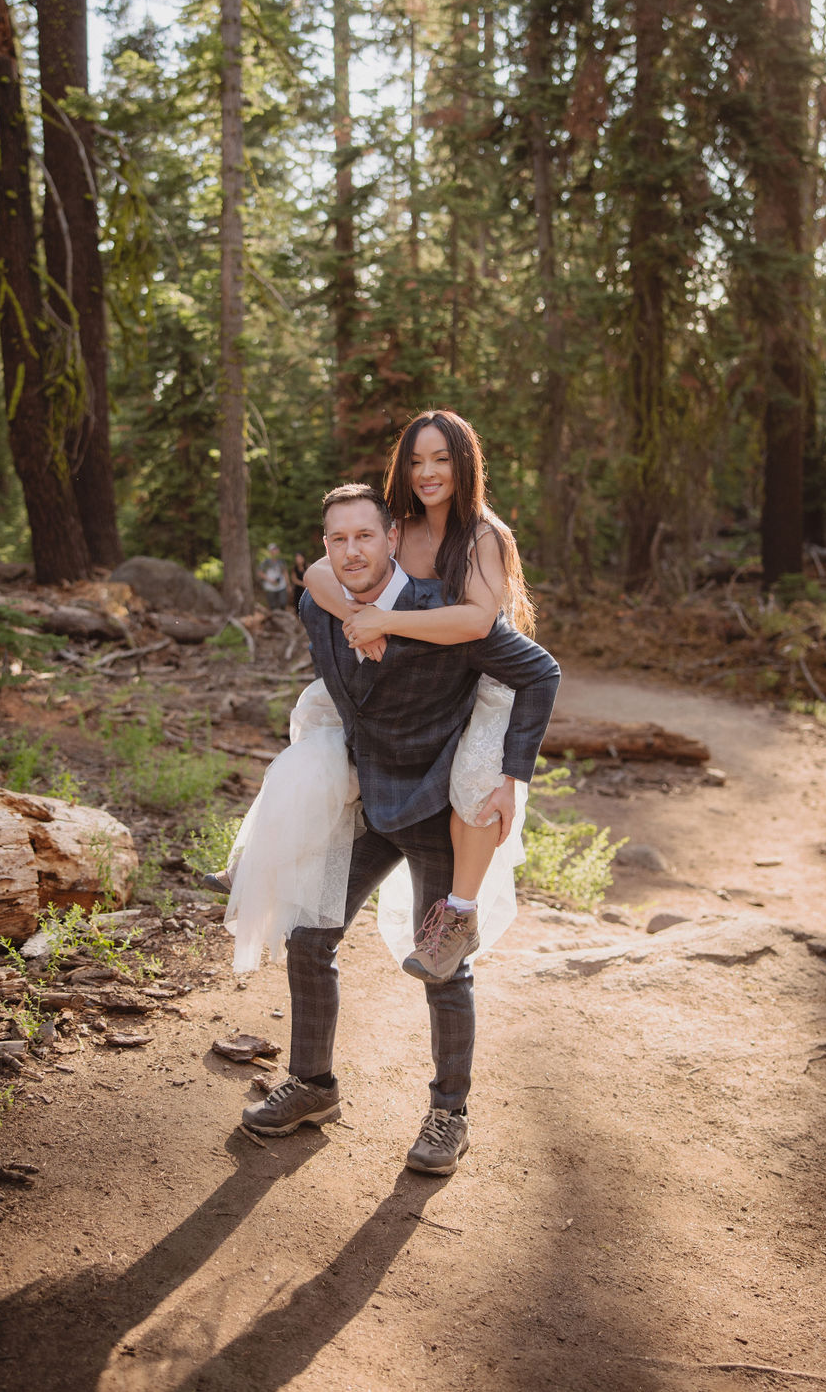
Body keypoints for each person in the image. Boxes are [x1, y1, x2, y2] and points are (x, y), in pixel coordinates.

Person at [239, 483, 559, 1175]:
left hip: (440, 809)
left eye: (364, 535)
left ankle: (449, 1114)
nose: (350, 550)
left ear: (392, 539)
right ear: (322, 550)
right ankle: (313, 1086)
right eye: (336, 539)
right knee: (309, 936)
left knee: (443, 966)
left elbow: (539, 670)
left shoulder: (439, 614)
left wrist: (510, 774)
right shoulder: (314, 605)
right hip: (370, 802)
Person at [220, 409, 533, 982]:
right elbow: (319, 573)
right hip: (408, 678)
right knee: (316, 731)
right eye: (415, 460)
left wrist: (387, 622)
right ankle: (254, 854)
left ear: (466, 463)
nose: (427, 472)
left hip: (478, 677)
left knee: (474, 782)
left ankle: (459, 915)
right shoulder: (401, 528)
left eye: (441, 458)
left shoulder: (485, 535)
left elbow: (476, 621)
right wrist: (359, 618)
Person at [257, 543, 289, 611]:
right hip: (270, 587)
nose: (275, 551)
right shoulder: (265, 562)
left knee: (283, 603)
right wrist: (270, 580)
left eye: (276, 549)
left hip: (281, 586)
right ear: (270, 552)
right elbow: (259, 573)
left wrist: (288, 584)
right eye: (273, 550)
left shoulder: (281, 561)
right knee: (272, 606)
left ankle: (283, 617)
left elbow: (285, 572)